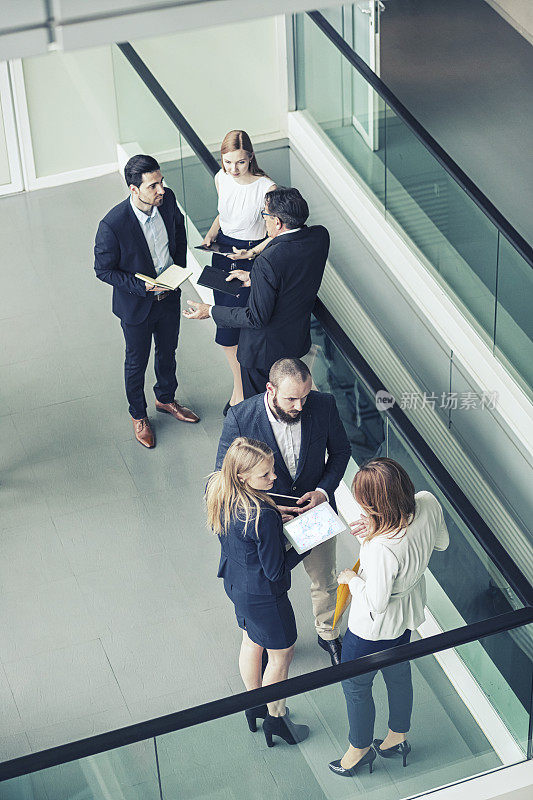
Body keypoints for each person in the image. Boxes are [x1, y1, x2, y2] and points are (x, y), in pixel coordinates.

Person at [216, 358, 351, 665]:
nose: (300, 405)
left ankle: (327, 634)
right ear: (270, 389)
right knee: (266, 582)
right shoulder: (241, 417)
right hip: (264, 520)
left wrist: (323, 491)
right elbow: (221, 477)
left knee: (325, 580)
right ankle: (261, 637)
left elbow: (341, 451)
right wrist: (265, 509)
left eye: (304, 396)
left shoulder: (323, 405)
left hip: (313, 513)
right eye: (292, 398)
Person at [329, 457, 449, 778]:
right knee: (398, 674)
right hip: (406, 615)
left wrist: (350, 579)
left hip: (371, 629)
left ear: (377, 504)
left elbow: (376, 602)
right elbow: (441, 543)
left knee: (355, 685)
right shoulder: (427, 501)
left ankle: (359, 748)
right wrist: (378, 529)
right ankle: (397, 737)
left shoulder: (382, 547)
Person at [206, 436, 310, 746]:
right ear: (242, 476)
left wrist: (276, 518)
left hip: (236, 583)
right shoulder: (261, 516)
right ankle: (276, 718)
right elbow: (276, 570)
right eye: (265, 474)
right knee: (281, 656)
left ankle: (254, 705)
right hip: (266, 598)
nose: (274, 477)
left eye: (272, 469)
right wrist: (307, 540)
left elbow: (244, 533)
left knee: (251, 641)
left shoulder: (218, 488)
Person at [94, 154, 199, 448]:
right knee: (136, 362)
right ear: (134, 189)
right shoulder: (112, 224)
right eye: (152, 186)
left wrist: (176, 271)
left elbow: (178, 236)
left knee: (168, 351)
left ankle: (165, 399)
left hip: (168, 297)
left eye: (160, 182)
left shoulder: (167, 201)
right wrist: (141, 286)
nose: (161, 190)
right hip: (137, 305)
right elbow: (103, 270)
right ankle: (138, 415)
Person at [184, 187, 330, 399]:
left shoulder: (268, 260)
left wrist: (211, 311)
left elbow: (255, 318)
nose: (264, 220)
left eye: (265, 215)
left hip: (263, 354)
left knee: (261, 408)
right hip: (295, 341)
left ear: (278, 222)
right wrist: (254, 278)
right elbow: (294, 273)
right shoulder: (319, 237)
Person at [201, 130, 276, 413]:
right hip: (223, 254)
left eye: (240, 163)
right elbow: (225, 212)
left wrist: (252, 253)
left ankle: (242, 394)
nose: (232, 169)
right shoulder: (221, 178)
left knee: (241, 325)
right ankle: (240, 387)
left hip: (250, 257)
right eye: (227, 162)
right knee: (225, 327)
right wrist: (211, 233)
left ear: (250, 158)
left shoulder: (266, 188)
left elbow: (277, 232)